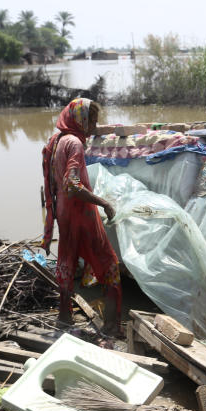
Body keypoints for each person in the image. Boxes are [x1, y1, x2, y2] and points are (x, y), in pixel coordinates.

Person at [41, 97, 122, 335]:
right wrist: (103, 202)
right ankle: (111, 326)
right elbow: (72, 185)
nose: (94, 126)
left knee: (66, 263)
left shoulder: (56, 140)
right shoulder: (74, 143)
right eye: (91, 120)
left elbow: (57, 185)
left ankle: (64, 318)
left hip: (64, 215)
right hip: (81, 215)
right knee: (110, 267)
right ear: (79, 119)